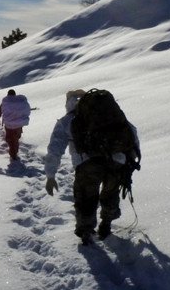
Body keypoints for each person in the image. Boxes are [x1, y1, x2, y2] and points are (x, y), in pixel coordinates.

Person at [44, 89, 141, 244]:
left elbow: (54, 149)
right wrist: (130, 159)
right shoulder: (108, 112)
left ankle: (86, 233)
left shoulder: (67, 121)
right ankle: (106, 224)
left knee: (86, 198)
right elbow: (132, 132)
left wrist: (50, 175)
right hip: (116, 161)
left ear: (68, 104)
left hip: (87, 165)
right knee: (111, 193)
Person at [0, 89, 31, 161]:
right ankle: (14, 153)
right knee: (15, 139)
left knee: (10, 139)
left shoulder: (6, 103)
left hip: (9, 125)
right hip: (19, 125)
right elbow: (27, 111)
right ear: (15, 95)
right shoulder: (20, 103)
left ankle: (13, 154)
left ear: (8, 95)